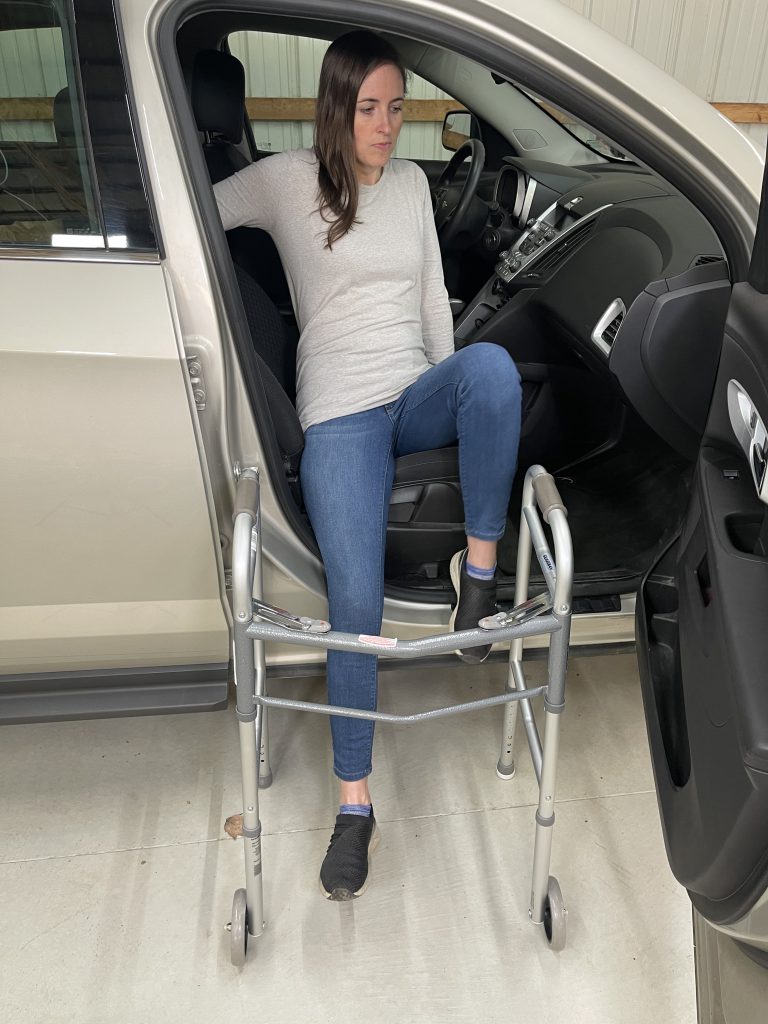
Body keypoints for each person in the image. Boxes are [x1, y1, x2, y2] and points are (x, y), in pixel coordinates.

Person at [214, 30, 521, 901]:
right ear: (335, 106)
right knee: (354, 603)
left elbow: (431, 300)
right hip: (339, 413)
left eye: (396, 107)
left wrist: (447, 386)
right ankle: (356, 807)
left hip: (412, 389)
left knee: (493, 371)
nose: (385, 126)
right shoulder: (285, 179)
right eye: (368, 108)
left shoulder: (418, 183)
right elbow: (194, 207)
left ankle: (482, 577)